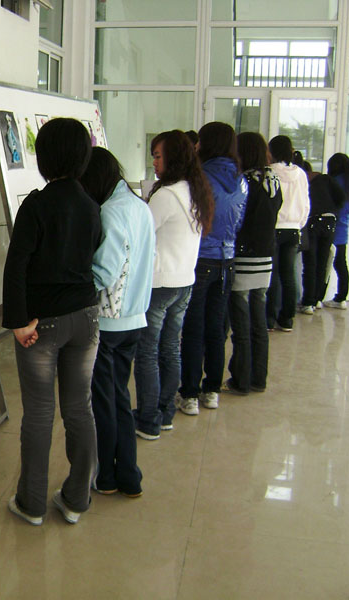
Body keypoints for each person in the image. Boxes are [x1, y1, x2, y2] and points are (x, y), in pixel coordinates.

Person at [2, 118, 100, 526]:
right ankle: (77, 499)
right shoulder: (91, 205)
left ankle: (32, 504)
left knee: (40, 413)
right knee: (79, 408)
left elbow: (16, 267)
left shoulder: (36, 206)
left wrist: (18, 322)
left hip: (42, 325)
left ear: (44, 157)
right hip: (87, 318)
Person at [79, 147, 155, 497]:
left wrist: (73, 287)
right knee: (120, 398)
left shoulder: (110, 211)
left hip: (109, 323)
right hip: (135, 318)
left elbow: (105, 272)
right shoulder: (139, 206)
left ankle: (107, 477)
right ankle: (129, 475)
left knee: (104, 402)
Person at [134, 130, 212, 437]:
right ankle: (165, 413)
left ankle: (148, 419)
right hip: (184, 281)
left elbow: (141, 232)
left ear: (174, 158)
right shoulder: (195, 189)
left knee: (147, 352)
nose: (154, 162)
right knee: (169, 349)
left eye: (158, 156)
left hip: (160, 283)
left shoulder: (166, 195)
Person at [178, 122, 247, 415]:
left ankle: (190, 394)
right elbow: (239, 221)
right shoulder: (241, 180)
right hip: (227, 260)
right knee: (217, 328)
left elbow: (192, 219)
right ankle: (212, 391)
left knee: (193, 329)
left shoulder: (199, 176)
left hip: (201, 259)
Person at [225, 132, 282, 395]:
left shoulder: (245, 181)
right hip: (266, 256)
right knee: (259, 322)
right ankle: (259, 378)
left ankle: (241, 379)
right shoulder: (273, 179)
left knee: (241, 324)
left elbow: (238, 219)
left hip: (244, 257)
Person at [266, 135, 310, 331]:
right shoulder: (300, 174)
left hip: (274, 228)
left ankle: (269, 318)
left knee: (273, 275)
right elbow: (306, 203)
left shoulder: (270, 172)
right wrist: (299, 224)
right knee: (288, 274)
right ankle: (287, 319)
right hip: (293, 229)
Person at [299, 163, 345, 313]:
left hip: (312, 222)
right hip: (330, 222)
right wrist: (333, 210)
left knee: (310, 263)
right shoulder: (326, 179)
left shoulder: (302, 180)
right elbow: (342, 197)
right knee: (322, 262)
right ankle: (317, 299)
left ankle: (308, 303)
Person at [325, 153, 349, 309]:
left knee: (323, 263)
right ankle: (341, 298)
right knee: (341, 263)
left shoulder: (335, 181)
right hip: (343, 226)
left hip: (330, 223)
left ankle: (317, 298)